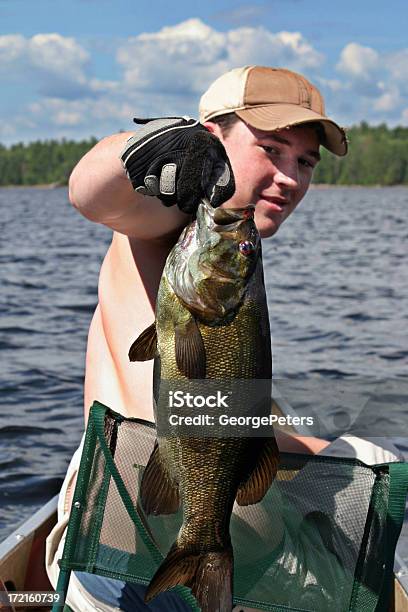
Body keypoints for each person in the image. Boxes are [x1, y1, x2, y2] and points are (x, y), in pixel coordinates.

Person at [46, 66, 402, 611]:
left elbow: (227, 403)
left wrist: (323, 451)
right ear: (211, 139)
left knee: (366, 455)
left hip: (220, 553)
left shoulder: (233, 257)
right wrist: (151, 145)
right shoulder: (168, 221)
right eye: (271, 148)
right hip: (125, 557)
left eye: (305, 161)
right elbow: (93, 192)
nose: (290, 177)